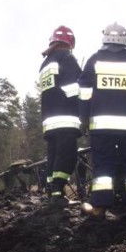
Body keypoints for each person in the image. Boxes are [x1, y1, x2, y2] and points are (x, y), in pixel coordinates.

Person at [78, 22, 126, 219]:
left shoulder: (94, 60)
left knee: (103, 167)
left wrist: (85, 117)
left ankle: (100, 207)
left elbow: (84, 93)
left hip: (101, 128)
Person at [37, 25, 82, 208]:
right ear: (70, 43)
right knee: (67, 156)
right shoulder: (67, 58)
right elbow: (74, 88)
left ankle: (51, 192)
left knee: (53, 155)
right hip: (66, 117)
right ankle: (58, 191)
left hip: (49, 120)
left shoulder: (44, 64)